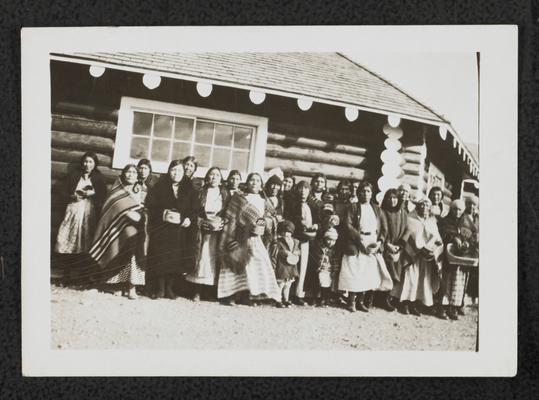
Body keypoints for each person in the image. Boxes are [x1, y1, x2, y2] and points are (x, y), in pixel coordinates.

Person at [217, 172, 281, 305]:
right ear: (247, 183)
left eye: (257, 181)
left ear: (261, 185)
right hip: (239, 236)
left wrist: (262, 226)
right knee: (237, 261)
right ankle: (231, 295)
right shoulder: (239, 198)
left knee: (254, 264)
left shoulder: (264, 200)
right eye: (252, 180)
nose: (254, 183)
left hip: (255, 238)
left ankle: (250, 295)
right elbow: (231, 217)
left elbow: (270, 218)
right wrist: (238, 231)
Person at [88, 164, 148, 299]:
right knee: (116, 252)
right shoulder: (116, 190)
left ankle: (131, 287)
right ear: (123, 174)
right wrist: (124, 212)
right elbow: (111, 209)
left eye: (133, 172)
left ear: (137, 175)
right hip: (117, 228)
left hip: (136, 227)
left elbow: (146, 209)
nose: (130, 175)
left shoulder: (142, 190)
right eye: (128, 172)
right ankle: (117, 285)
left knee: (133, 253)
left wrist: (140, 217)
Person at [338, 181, 392, 313]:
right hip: (356, 241)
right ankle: (351, 301)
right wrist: (359, 240)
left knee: (367, 272)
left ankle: (361, 301)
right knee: (355, 271)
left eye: (368, 191)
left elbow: (384, 229)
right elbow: (348, 225)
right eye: (363, 191)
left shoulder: (377, 209)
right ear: (358, 192)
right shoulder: (353, 207)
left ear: (371, 193)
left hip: (372, 242)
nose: (365, 194)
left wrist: (379, 242)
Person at [145, 160, 196, 299]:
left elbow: (194, 209)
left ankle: (169, 288)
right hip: (162, 229)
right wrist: (163, 213)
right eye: (173, 170)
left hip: (180, 230)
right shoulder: (160, 186)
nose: (176, 173)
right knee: (161, 258)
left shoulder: (189, 188)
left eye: (179, 170)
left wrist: (188, 219)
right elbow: (151, 205)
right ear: (169, 171)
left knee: (175, 259)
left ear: (183, 172)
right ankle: (160, 288)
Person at [393, 197, 444, 316]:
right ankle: (404, 303)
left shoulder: (432, 221)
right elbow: (407, 235)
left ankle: (415, 304)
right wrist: (416, 247)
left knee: (422, 280)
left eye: (427, 205)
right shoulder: (410, 218)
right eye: (422, 205)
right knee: (410, 278)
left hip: (426, 257)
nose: (424, 208)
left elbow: (437, 238)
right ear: (417, 206)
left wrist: (430, 248)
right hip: (412, 256)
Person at [185, 167, 230, 302]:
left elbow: (229, 212)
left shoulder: (225, 194)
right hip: (203, 230)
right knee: (202, 258)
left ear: (221, 179)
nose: (214, 177)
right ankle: (197, 291)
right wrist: (201, 222)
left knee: (214, 259)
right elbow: (194, 211)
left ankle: (210, 291)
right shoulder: (200, 192)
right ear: (207, 177)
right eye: (211, 175)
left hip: (218, 231)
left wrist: (222, 222)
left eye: (217, 175)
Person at [55, 151, 107, 256]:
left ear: (95, 164)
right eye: (85, 161)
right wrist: (72, 196)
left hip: (89, 210)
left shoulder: (98, 177)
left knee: (86, 234)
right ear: (82, 163)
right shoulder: (74, 174)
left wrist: (92, 193)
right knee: (70, 234)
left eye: (90, 162)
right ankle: (68, 261)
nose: (87, 164)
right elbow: (62, 190)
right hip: (74, 208)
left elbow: (103, 194)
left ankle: (82, 261)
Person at [437, 199, 478, 320]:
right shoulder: (445, 221)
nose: (457, 212)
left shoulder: (467, 222)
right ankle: (442, 307)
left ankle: (453, 307)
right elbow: (443, 233)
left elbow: (472, 236)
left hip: (462, 257)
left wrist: (467, 243)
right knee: (446, 281)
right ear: (451, 209)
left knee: (458, 283)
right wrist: (453, 237)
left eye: (460, 209)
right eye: (455, 209)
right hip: (448, 257)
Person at [283, 180, 319, 305]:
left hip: (306, 240)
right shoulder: (292, 204)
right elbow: (289, 220)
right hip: (294, 239)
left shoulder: (313, 206)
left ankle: (298, 294)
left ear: (309, 191)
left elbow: (318, 220)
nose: (303, 192)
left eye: (306, 189)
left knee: (303, 267)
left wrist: (315, 225)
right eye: (301, 189)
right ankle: (287, 294)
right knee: (292, 265)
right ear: (296, 190)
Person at [381, 188, 408, 312]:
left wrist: (400, 245)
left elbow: (407, 230)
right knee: (385, 272)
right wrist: (387, 244)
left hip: (397, 248)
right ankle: (379, 298)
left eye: (395, 198)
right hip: (385, 247)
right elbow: (380, 229)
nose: (392, 200)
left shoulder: (403, 213)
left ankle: (388, 298)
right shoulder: (382, 212)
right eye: (390, 198)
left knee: (396, 274)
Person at [269, 220, 301, 308]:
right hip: (282, 265)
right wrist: (285, 253)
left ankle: (286, 299)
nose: (287, 234)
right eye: (285, 232)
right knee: (281, 284)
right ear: (281, 232)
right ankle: (278, 300)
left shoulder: (295, 241)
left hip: (291, 265)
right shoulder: (279, 241)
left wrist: (296, 253)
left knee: (288, 284)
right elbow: (276, 252)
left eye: (289, 232)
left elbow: (298, 250)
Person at [310, 228, 339, 307]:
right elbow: (316, 258)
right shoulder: (320, 248)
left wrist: (334, 270)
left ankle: (325, 299)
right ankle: (315, 298)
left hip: (329, 269)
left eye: (333, 241)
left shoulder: (334, 250)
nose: (331, 242)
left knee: (327, 284)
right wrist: (319, 264)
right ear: (325, 239)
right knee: (317, 283)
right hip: (320, 269)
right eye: (329, 240)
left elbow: (335, 261)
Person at [464, 195, 479, 304]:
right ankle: (461, 300)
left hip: (476, 248)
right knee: (464, 273)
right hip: (465, 247)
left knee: (474, 273)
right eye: (469, 203)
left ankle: (472, 297)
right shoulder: (463, 216)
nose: (471, 206)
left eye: (474, 204)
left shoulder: (477, 217)